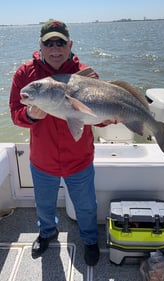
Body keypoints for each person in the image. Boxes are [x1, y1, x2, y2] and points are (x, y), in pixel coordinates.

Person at [9, 19, 111, 265]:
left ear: (70, 44)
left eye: (61, 42)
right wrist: (30, 116)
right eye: (49, 43)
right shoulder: (25, 74)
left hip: (79, 158)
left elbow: (95, 117)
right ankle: (47, 233)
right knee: (44, 205)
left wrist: (108, 120)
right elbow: (15, 113)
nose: (55, 48)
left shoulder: (87, 74)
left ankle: (88, 239)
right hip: (42, 160)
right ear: (40, 46)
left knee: (86, 207)